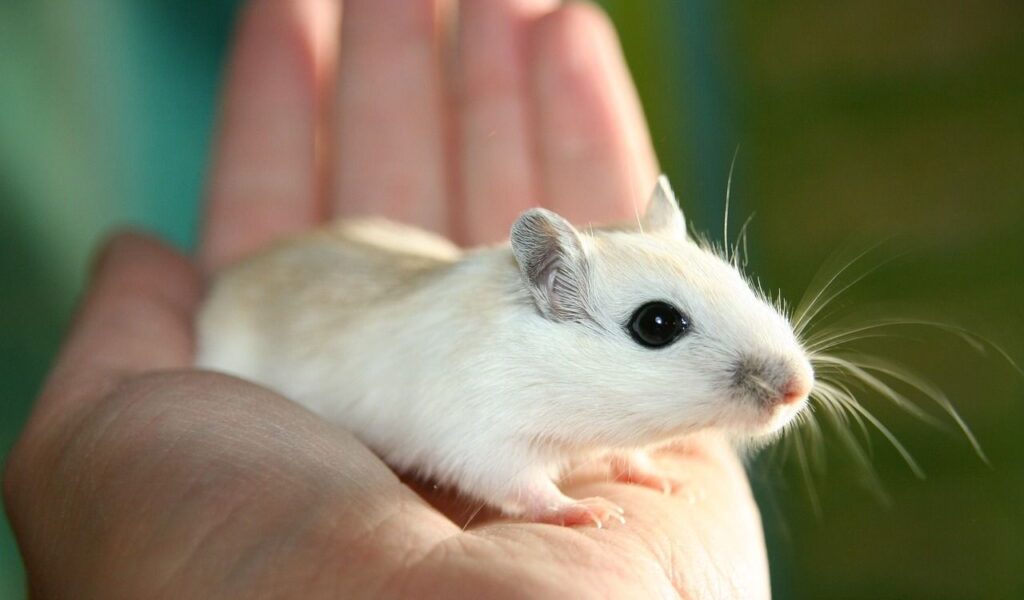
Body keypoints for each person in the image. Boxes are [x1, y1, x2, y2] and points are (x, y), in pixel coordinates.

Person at [3, 0, 769, 596]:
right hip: (261, 325)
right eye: (658, 325)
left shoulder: (550, 367)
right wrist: (541, 500)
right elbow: (468, 438)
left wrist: (621, 453)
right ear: (550, 286)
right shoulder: (489, 354)